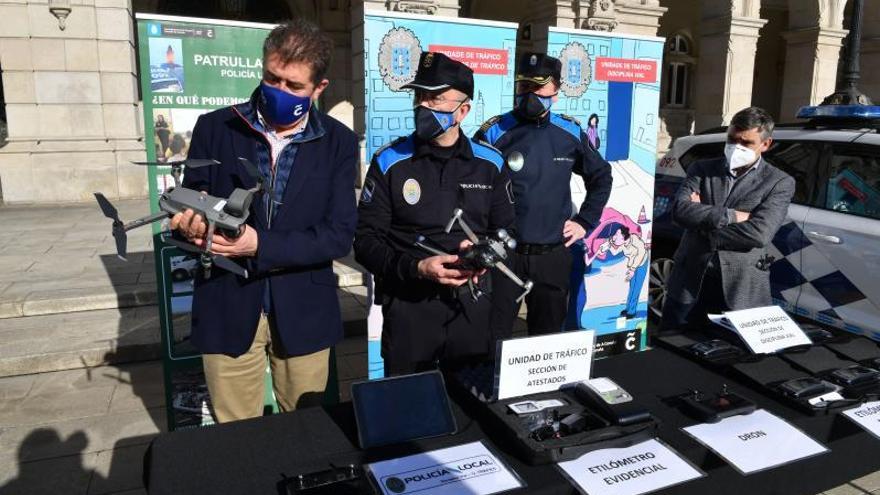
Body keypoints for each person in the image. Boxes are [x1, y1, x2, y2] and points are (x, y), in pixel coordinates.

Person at [169, 19, 358, 422]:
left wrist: (259, 245)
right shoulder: (215, 127)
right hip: (228, 303)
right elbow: (196, 199)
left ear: (319, 88)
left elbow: (338, 235)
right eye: (272, 78)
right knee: (237, 435)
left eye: (294, 85)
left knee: (309, 428)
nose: (279, 91)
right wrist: (190, 224)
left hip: (304, 309)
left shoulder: (338, 142)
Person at [354, 52, 515, 376]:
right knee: (410, 400)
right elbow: (366, 242)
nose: (423, 106)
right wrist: (416, 267)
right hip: (409, 309)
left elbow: (509, 231)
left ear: (462, 111)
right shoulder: (389, 161)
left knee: (470, 398)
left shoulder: (491, 163)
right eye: (420, 96)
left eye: (436, 98)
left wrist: (485, 252)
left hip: (471, 308)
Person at [474, 53, 612, 339]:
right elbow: (470, 186)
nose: (530, 94)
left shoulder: (569, 131)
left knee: (546, 340)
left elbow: (601, 176)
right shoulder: (494, 132)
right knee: (491, 338)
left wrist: (584, 221)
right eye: (524, 86)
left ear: (556, 92)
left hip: (552, 256)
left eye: (538, 87)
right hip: (503, 256)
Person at [661, 106, 795, 331]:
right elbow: (679, 211)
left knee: (730, 350)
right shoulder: (701, 168)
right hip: (689, 280)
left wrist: (702, 222)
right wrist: (732, 216)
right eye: (732, 139)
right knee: (672, 342)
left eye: (746, 143)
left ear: (765, 144)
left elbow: (759, 234)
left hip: (740, 286)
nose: (736, 147)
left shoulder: (779, 182)